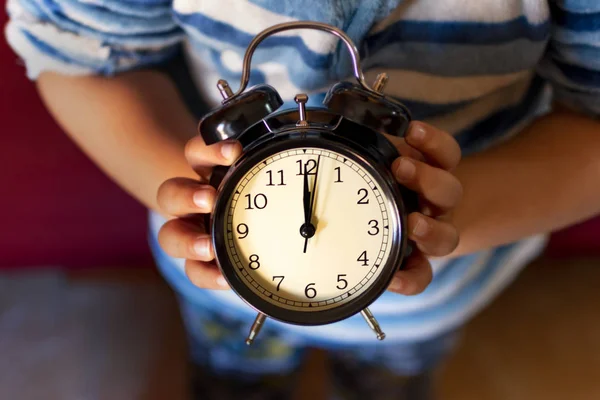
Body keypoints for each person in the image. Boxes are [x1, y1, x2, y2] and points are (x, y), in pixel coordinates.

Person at [5, 0, 600, 398]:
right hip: (221, 286)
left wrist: (448, 215)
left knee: (389, 377)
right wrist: (200, 202)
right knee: (235, 370)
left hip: (432, 295)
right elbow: (81, 56)